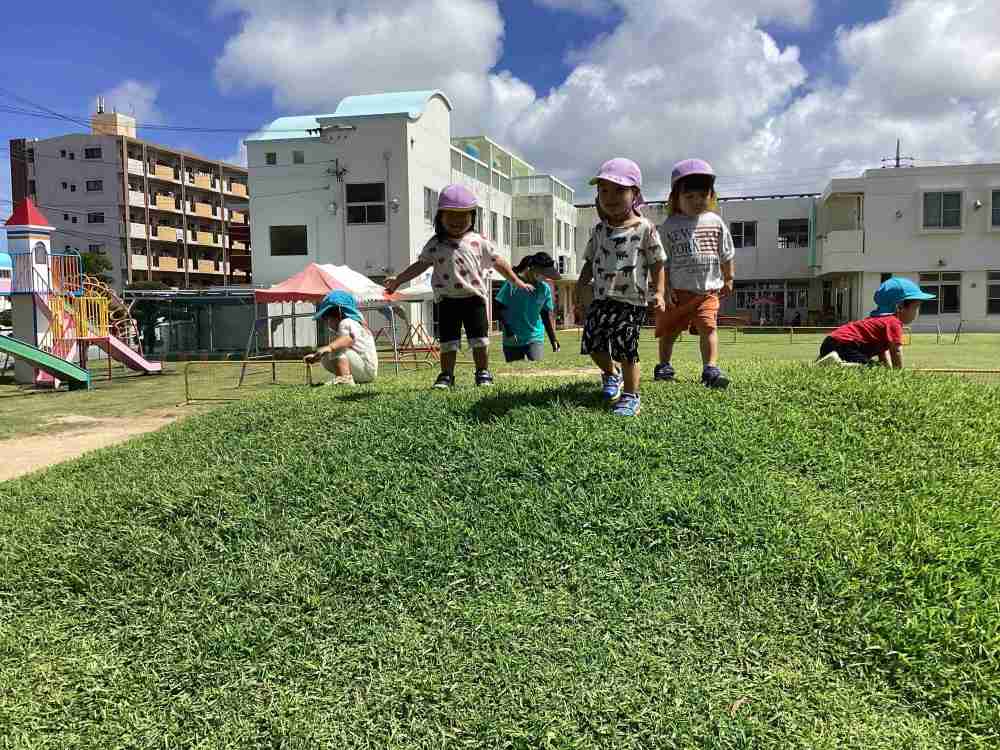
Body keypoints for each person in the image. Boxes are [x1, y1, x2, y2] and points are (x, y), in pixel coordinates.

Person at [384, 184, 532, 388]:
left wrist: (516, 280)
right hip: (446, 300)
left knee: (479, 339)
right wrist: (398, 280)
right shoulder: (435, 244)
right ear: (440, 217)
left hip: (474, 300)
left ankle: (483, 372)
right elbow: (419, 265)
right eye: (450, 215)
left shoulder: (478, 241)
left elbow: (498, 261)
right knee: (447, 341)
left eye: (463, 216)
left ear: (472, 217)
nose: (456, 221)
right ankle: (446, 375)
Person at [574, 158, 666, 417]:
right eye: (604, 191)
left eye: (619, 190)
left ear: (635, 193)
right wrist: (581, 286)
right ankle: (611, 374)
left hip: (631, 300)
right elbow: (590, 261)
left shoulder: (645, 228)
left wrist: (658, 292)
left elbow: (658, 262)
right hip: (601, 298)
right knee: (593, 343)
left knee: (626, 348)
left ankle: (631, 395)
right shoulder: (600, 229)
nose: (610, 197)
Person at [654, 159, 735, 389]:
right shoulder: (669, 225)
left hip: (707, 291)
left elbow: (726, 253)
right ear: (675, 198)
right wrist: (665, 289)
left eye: (703, 196)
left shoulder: (715, 222)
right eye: (690, 197)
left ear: (711, 196)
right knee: (670, 330)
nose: (697, 201)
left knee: (708, 327)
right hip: (678, 292)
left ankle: (710, 368)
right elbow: (662, 262)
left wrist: (728, 277)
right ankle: (664, 365)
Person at [815, 277, 934, 368]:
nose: (916, 312)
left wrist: (888, 370)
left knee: (878, 367)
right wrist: (899, 376)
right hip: (844, 344)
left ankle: (827, 361)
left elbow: (883, 352)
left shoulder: (879, 321)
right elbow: (896, 351)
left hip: (832, 342)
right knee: (871, 369)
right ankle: (838, 364)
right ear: (900, 307)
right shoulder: (893, 322)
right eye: (916, 307)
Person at [495, 252, 562, 362]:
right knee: (516, 373)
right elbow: (499, 307)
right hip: (512, 338)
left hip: (535, 337)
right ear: (532, 269)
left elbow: (545, 315)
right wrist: (508, 329)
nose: (544, 277)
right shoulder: (512, 284)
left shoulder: (544, 289)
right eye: (543, 274)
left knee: (535, 369)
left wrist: (553, 339)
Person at [304, 290, 378, 385]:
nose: (327, 324)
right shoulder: (355, 323)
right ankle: (344, 377)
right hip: (366, 370)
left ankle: (344, 378)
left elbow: (349, 339)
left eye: (327, 319)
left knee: (336, 348)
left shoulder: (346, 322)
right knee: (327, 356)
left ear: (338, 312)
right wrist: (317, 356)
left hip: (365, 369)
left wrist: (329, 347)